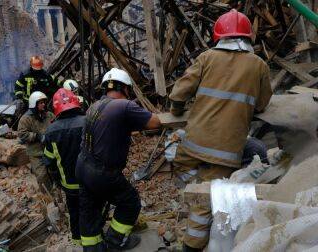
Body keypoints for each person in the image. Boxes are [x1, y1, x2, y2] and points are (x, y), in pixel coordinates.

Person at [169, 9, 273, 251]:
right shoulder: (258, 66)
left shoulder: (206, 58)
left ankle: (191, 223)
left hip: (191, 145)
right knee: (206, 198)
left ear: (219, 36)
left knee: (192, 180)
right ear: (248, 38)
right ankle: (192, 245)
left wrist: (176, 108)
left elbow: (179, 92)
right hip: (225, 153)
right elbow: (262, 104)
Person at [76, 68, 161, 251]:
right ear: (125, 89)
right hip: (102, 172)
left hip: (82, 166)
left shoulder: (94, 106)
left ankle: (92, 248)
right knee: (130, 202)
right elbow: (155, 122)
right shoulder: (125, 106)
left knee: (90, 208)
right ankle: (115, 242)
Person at [43, 88, 84, 246]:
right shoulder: (87, 121)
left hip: (69, 183)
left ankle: (77, 241)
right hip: (91, 180)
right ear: (76, 102)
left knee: (74, 212)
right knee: (91, 208)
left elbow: (49, 160)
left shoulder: (51, 131)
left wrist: (56, 180)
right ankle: (96, 236)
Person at [18, 91, 54, 193]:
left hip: (50, 150)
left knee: (53, 172)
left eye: (44, 102)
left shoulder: (49, 115)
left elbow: (56, 125)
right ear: (34, 104)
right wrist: (36, 136)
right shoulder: (26, 119)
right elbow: (21, 133)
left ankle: (56, 191)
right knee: (42, 175)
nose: (43, 104)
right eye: (40, 102)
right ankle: (48, 196)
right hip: (36, 152)